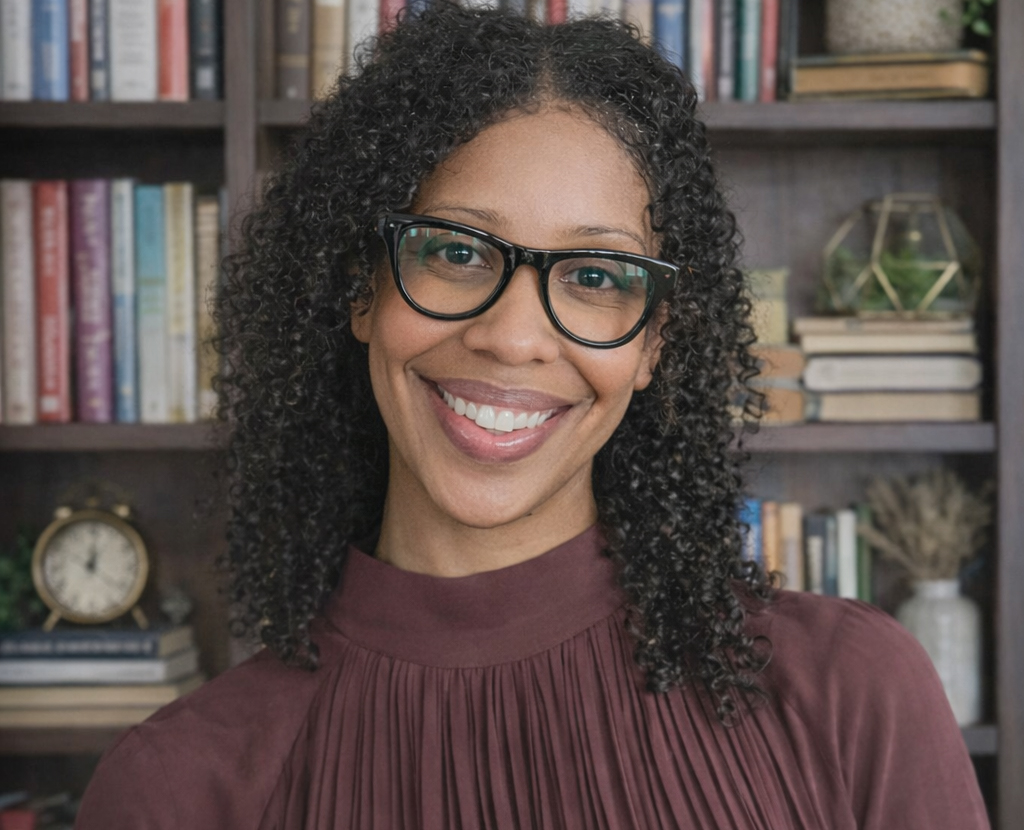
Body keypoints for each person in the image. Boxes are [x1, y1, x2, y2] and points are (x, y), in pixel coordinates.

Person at [76, 5, 988, 828]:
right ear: (365, 289)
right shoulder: (177, 789)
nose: (514, 338)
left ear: (653, 345)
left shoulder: (852, 693)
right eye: (457, 251)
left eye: (594, 277)